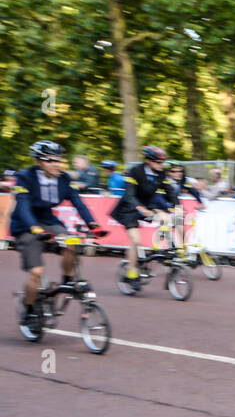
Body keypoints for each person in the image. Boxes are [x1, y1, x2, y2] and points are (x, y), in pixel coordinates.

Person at [11, 141, 99, 331]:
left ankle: (67, 281)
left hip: (49, 222)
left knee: (72, 242)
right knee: (36, 272)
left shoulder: (64, 178)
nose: (56, 164)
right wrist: (35, 228)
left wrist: (93, 224)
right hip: (25, 225)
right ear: (38, 161)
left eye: (58, 160)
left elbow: (78, 202)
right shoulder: (24, 177)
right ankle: (29, 310)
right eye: (50, 160)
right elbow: (23, 206)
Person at [109, 145, 172, 287]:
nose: (161, 165)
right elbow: (130, 194)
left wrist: (176, 207)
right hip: (129, 208)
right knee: (136, 240)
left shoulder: (161, 173)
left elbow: (170, 192)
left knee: (167, 218)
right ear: (148, 161)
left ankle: (161, 249)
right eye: (158, 162)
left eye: (162, 163)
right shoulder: (135, 171)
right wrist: (140, 208)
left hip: (147, 206)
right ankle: (131, 272)